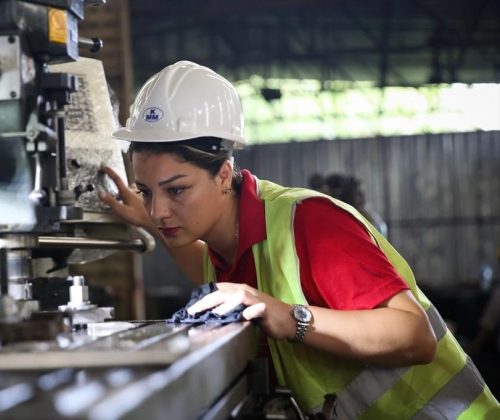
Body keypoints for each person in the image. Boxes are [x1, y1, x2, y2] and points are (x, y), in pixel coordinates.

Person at [98, 60, 499, 418]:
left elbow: (416, 338)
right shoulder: (226, 247)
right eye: (147, 192)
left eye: (176, 190)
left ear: (223, 174)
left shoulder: (309, 222)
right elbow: (197, 261)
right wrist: (149, 224)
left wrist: (291, 318)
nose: (158, 210)